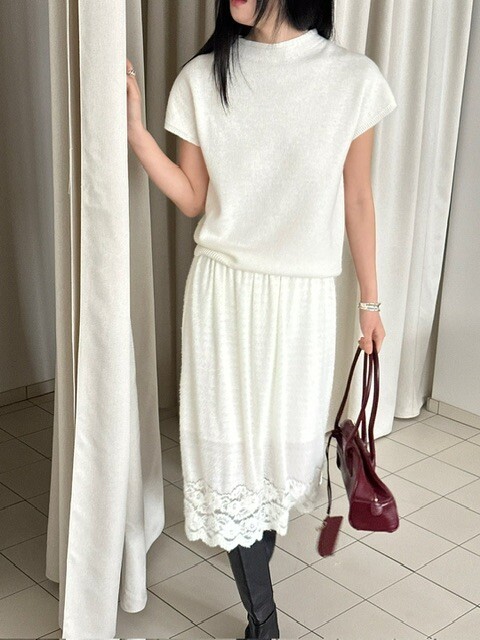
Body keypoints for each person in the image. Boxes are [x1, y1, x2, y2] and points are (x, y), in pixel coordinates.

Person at [127, 0, 396, 637]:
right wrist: (137, 134)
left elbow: (358, 198)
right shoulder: (202, 78)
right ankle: (264, 624)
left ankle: (258, 617)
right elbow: (194, 197)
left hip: (303, 306)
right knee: (232, 467)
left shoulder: (351, 78)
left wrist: (371, 303)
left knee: (277, 467)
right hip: (222, 299)